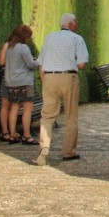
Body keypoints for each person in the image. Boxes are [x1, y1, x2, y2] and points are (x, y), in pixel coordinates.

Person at [34, 12, 89, 166]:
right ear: (71, 24)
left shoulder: (49, 37)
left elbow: (40, 62)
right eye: (76, 22)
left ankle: (44, 147)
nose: (77, 25)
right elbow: (82, 64)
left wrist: (44, 79)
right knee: (71, 116)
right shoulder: (77, 39)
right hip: (68, 77)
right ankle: (68, 152)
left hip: (50, 78)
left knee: (47, 115)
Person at [4, 24, 40, 144]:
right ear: (24, 36)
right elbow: (31, 64)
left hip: (11, 82)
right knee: (27, 109)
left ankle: (13, 134)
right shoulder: (23, 48)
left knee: (14, 107)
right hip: (24, 82)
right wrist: (38, 61)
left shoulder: (9, 48)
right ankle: (26, 135)